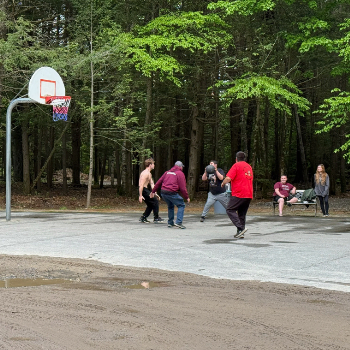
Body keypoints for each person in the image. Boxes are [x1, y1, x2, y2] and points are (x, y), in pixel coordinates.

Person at [221, 151, 253, 239]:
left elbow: (228, 178)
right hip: (249, 194)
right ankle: (240, 233)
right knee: (242, 214)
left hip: (239, 193)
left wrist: (223, 183)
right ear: (244, 158)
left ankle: (241, 228)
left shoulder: (236, 165)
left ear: (236, 159)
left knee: (230, 209)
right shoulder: (249, 166)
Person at [150, 161, 190, 229]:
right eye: (182, 167)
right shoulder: (180, 173)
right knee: (181, 205)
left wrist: (153, 191)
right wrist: (186, 197)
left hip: (163, 192)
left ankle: (170, 223)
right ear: (180, 167)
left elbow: (158, 182)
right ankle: (178, 222)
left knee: (170, 206)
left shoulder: (167, 172)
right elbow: (183, 188)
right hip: (172, 192)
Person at [138, 158, 164, 223]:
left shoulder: (149, 173)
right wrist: (140, 195)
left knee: (150, 204)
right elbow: (141, 185)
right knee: (155, 201)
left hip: (145, 190)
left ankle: (143, 217)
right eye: (153, 164)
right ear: (150, 165)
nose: (154, 165)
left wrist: (155, 193)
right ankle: (156, 217)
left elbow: (152, 184)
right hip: (143, 190)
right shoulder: (145, 173)